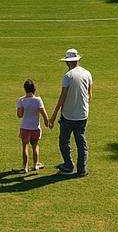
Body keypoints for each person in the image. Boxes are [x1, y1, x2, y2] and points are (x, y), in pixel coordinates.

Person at [49, 48, 92, 176]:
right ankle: (82, 169)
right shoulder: (87, 74)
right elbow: (89, 95)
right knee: (81, 142)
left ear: (68, 62)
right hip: (82, 114)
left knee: (64, 141)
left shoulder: (68, 76)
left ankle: (68, 165)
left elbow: (62, 97)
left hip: (68, 115)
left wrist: (54, 115)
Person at [16, 79, 50, 173]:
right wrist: (47, 122)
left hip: (25, 127)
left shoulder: (21, 100)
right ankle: (35, 165)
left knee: (25, 146)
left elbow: (19, 115)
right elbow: (43, 113)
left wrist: (22, 109)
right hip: (35, 127)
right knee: (35, 146)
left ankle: (25, 167)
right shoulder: (38, 100)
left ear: (25, 89)